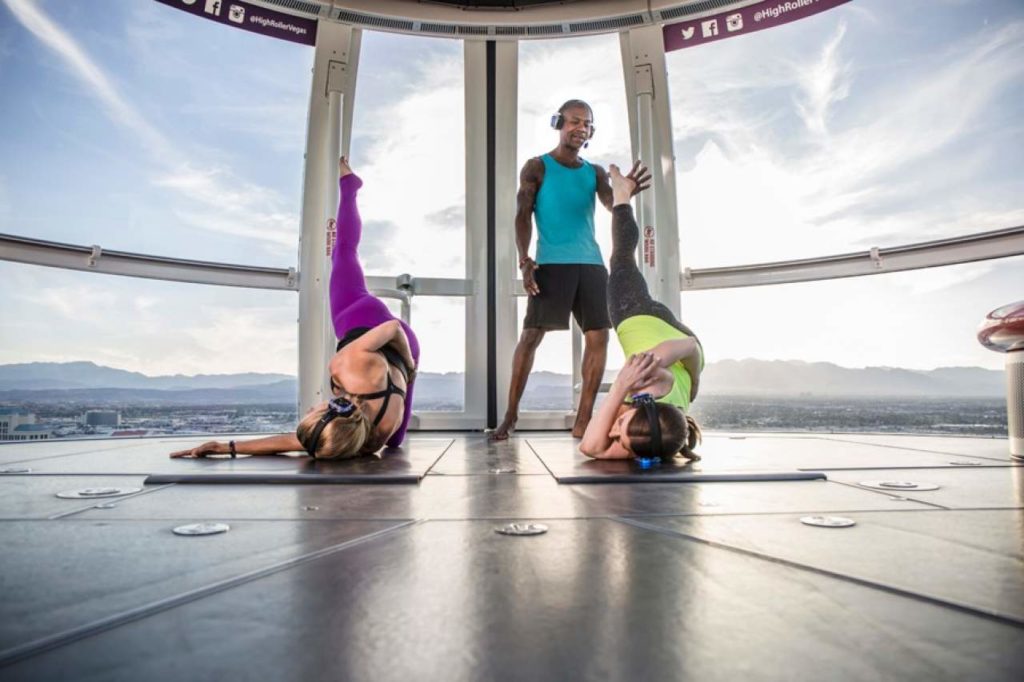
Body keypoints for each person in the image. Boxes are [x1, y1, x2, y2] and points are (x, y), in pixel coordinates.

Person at [171, 157, 419, 460]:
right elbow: (393, 328)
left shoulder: (367, 439)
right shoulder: (346, 364)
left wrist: (226, 447)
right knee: (343, 251)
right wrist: (409, 364)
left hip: (403, 362)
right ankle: (350, 187)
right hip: (367, 319)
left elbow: (293, 443)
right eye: (314, 412)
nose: (313, 407)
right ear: (332, 411)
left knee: (396, 443)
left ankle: (407, 378)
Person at [493, 99, 645, 440]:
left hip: (591, 265)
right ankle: (510, 417)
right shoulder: (537, 167)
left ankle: (583, 422)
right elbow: (522, 214)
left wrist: (625, 191)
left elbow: (611, 203)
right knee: (531, 337)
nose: (581, 128)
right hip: (551, 264)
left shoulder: (593, 173)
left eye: (587, 124)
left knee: (598, 336)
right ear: (559, 123)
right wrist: (524, 259)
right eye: (575, 121)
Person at [579, 162, 703, 460]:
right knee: (622, 259)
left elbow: (591, 447)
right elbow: (690, 346)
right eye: (618, 426)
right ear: (646, 402)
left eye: (618, 437)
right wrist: (694, 382)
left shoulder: (653, 437)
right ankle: (622, 195)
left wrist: (621, 391)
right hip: (645, 321)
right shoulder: (651, 379)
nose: (611, 431)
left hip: (674, 341)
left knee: (622, 262)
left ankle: (623, 195)